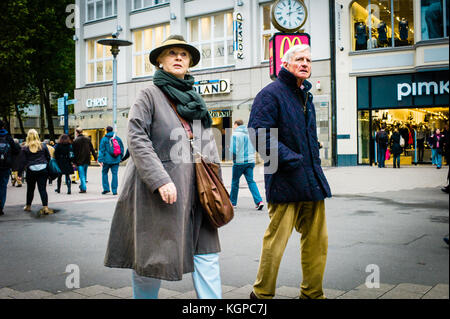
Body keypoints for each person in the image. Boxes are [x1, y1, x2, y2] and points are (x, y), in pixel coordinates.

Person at [104, 35, 222, 299]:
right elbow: (136, 136)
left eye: (184, 54)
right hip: (157, 194)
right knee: (151, 260)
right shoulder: (149, 94)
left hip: (198, 192)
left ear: (190, 62)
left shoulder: (195, 100)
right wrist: (160, 179)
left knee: (207, 256)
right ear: (160, 60)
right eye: (172, 53)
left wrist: (217, 186)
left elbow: (208, 146)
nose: (178, 57)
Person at [248, 44, 331, 299]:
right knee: (276, 241)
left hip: (310, 179)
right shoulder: (271, 94)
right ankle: (261, 295)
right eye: (299, 59)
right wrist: (291, 159)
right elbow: (259, 134)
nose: (305, 63)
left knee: (318, 241)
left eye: (308, 59)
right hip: (285, 177)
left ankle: (312, 294)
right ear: (286, 64)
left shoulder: (305, 95)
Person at [229, 119, 264, 210]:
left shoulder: (235, 134)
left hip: (239, 162)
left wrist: (233, 159)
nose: (233, 127)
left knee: (235, 182)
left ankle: (232, 203)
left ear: (236, 125)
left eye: (234, 125)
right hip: (250, 161)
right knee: (251, 181)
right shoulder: (249, 134)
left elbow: (233, 150)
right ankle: (259, 201)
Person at [22, 129, 53, 215]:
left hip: (31, 170)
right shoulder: (43, 145)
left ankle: (28, 206)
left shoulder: (25, 147)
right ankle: (45, 207)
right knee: (42, 189)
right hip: (43, 169)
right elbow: (48, 157)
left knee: (30, 189)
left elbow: (23, 160)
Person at [0, 120, 21, 216]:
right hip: (5, 166)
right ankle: (0, 207)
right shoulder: (8, 137)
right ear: (3, 126)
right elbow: (16, 150)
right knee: (3, 186)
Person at [97, 126, 124, 195]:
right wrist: (120, 157)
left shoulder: (104, 139)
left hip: (106, 160)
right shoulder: (117, 138)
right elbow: (121, 148)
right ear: (112, 130)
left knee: (104, 173)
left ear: (106, 131)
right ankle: (114, 191)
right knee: (115, 174)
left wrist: (100, 159)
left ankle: (106, 189)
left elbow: (102, 150)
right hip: (116, 160)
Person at [72, 127, 97, 193]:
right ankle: (82, 185)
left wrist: (73, 162)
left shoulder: (75, 141)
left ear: (77, 133)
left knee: (81, 175)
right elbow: (92, 149)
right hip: (87, 159)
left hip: (79, 160)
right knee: (84, 173)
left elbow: (74, 152)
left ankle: (83, 188)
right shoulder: (88, 139)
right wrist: (95, 158)